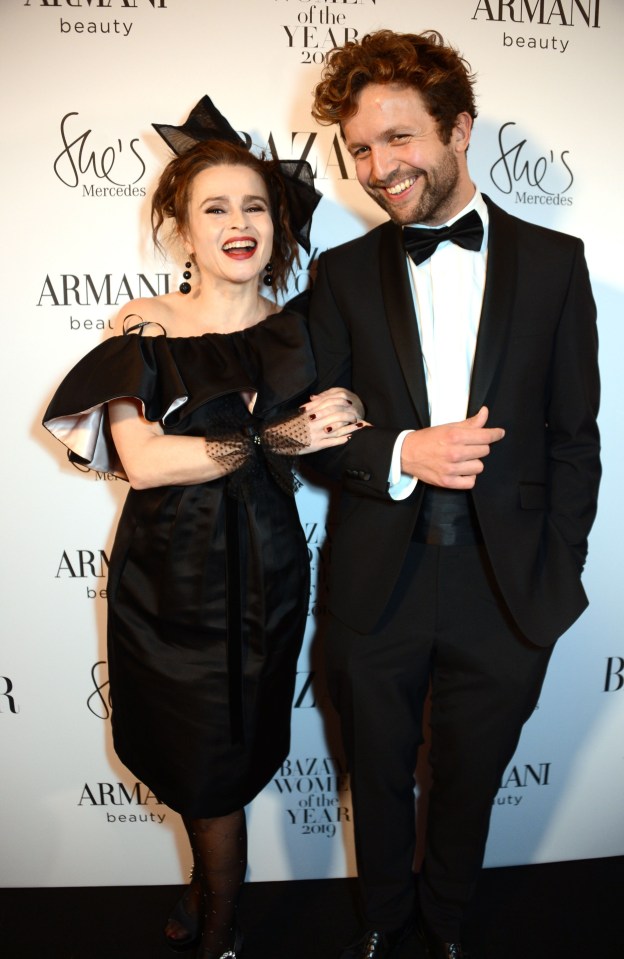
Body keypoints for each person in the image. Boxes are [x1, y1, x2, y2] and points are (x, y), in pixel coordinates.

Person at [43, 95, 364, 959]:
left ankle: (222, 922)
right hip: (163, 575)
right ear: (182, 228)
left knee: (223, 760)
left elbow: (318, 445)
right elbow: (143, 461)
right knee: (181, 753)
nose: (237, 221)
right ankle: (209, 887)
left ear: (278, 224)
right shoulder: (143, 325)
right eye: (214, 206)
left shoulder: (302, 334)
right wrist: (266, 437)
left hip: (262, 571)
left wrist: (331, 418)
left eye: (254, 204)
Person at [308, 30, 600, 959]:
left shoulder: (555, 264)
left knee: (469, 783)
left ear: (459, 128)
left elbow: (574, 441)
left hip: (505, 588)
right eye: (359, 148)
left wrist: (555, 574)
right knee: (377, 776)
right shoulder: (341, 275)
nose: (377, 166)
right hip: (374, 582)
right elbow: (314, 439)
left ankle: (446, 928)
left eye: (399, 138)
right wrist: (402, 450)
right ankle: (385, 923)